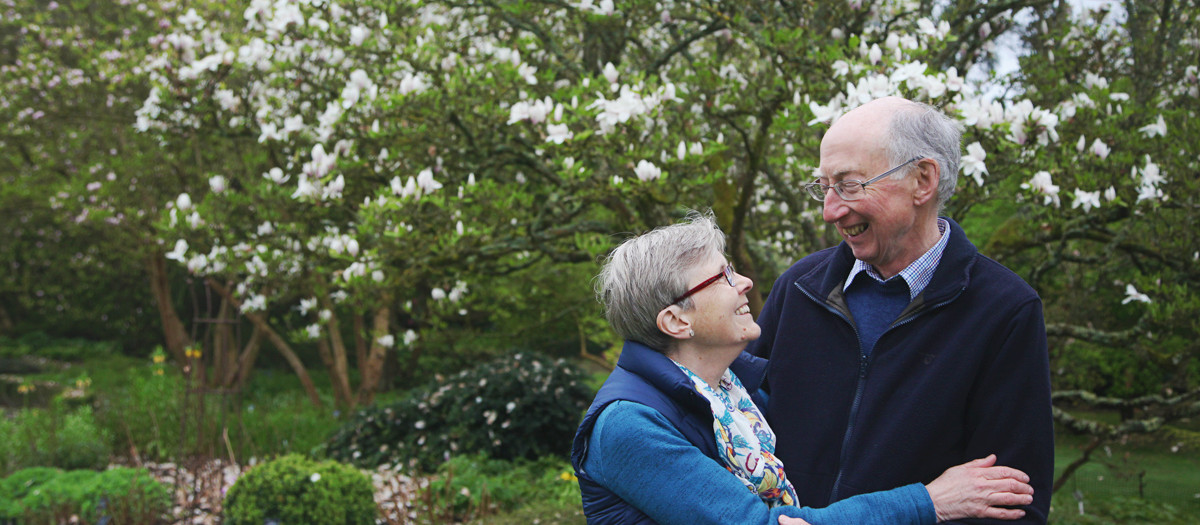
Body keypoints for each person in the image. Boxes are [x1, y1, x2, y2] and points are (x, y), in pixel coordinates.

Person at [571, 211, 1035, 525]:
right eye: (724, 277)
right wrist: (929, 502)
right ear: (676, 320)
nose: (746, 282)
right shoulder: (629, 426)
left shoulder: (736, 396)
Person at [749, 97, 1054, 524]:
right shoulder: (800, 287)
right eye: (823, 186)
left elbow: (1009, 503)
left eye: (850, 185)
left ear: (923, 180)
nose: (829, 210)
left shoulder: (1004, 310)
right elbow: (733, 428)